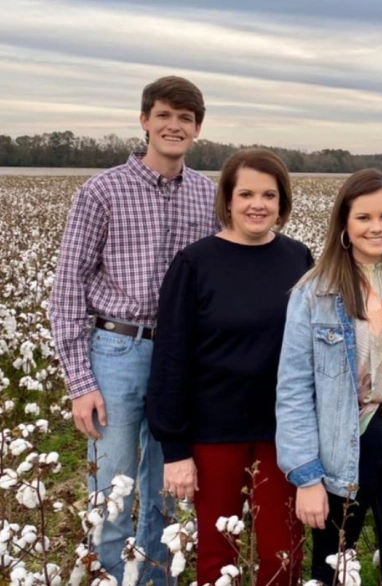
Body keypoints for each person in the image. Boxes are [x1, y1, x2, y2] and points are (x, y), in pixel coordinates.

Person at [49, 76, 218, 585]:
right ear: (144, 121)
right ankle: (109, 576)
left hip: (180, 356)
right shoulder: (101, 191)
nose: (174, 126)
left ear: (197, 129)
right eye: (163, 115)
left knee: (168, 487)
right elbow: (67, 289)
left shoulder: (208, 196)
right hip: (115, 348)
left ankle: (154, 580)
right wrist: (80, 382)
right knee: (114, 488)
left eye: (184, 119)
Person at [146, 148, 312, 585]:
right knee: (218, 556)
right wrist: (176, 449)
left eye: (269, 195)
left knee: (283, 554)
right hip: (213, 433)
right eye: (246, 194)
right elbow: (170, 358)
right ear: (228, 200)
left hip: (284, 433)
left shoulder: (299, 259)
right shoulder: (195, 263)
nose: (258, 204)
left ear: (282, 203)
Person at [275, 168, 382, 586]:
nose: (376, 227)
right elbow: (293, 389)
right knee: (332, 567)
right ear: (344, 224)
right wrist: (306, 476)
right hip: (346, 443)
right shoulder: (314, 292)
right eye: (363, 217)